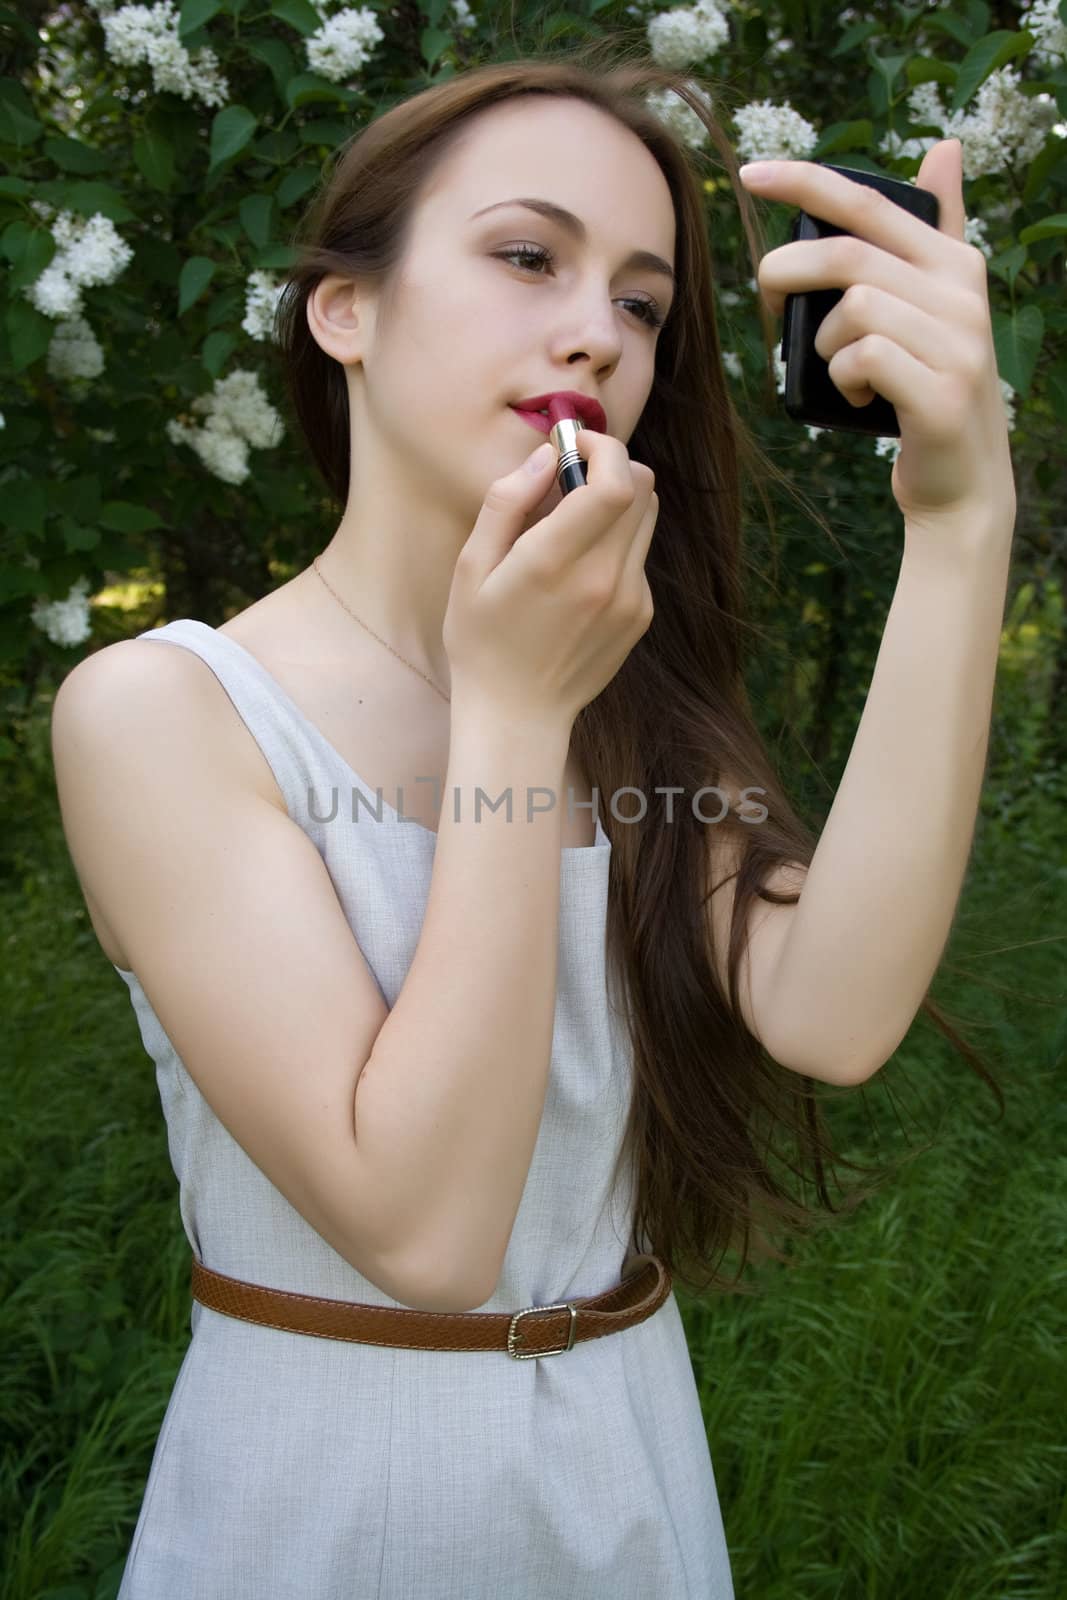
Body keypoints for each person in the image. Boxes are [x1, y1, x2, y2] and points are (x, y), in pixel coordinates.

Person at [50, 42, 1008, 1600]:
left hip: (629, 1484)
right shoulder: (166, 713)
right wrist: (509, 720)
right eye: (525, 255)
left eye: (640, 302)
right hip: (327, 1506)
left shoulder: (615, 686)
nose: (597, 331)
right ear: (343, 310)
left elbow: (832, 1011)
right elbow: (426, 1233)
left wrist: (963, 520)